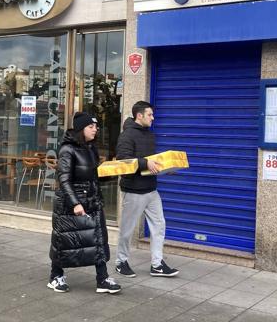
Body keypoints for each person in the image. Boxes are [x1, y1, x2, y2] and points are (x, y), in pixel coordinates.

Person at [48, 111, 122, 294]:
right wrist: (75, 203)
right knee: (64, 242)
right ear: (81, 129)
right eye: (91, 126)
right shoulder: (67, 149)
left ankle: (102, 279)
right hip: (71, 205)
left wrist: (113, 171)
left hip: (92, 201)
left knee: (98, 241)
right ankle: (55, 277)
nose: (95, 129)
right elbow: (64, 179)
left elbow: (94, 176)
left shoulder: (90, 148)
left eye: (96, 126)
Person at [114, 101, 179, 278]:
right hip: (133, 190)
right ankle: (121, 261)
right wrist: (144, 162)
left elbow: (152, 162)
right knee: (127, 229)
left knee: (159, 226)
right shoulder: (126, 135)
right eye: (149, 114)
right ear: (139, 115)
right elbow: (123, 160)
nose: (153, 118)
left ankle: (157, 265)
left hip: (151, 190)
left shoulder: (150, 135)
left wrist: (165, 169)